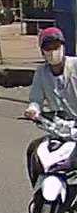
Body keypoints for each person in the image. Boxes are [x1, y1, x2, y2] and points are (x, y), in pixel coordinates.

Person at [24, 28, 77, 185]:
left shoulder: (75, 65)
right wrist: (33, 110)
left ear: (63, 47)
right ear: (42, 52)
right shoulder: (41, 73)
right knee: (34, 149)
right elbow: (36, 99)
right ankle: (38, 188)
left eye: (56, 46)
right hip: (59, 128)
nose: (53, 51)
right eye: (48, 48)